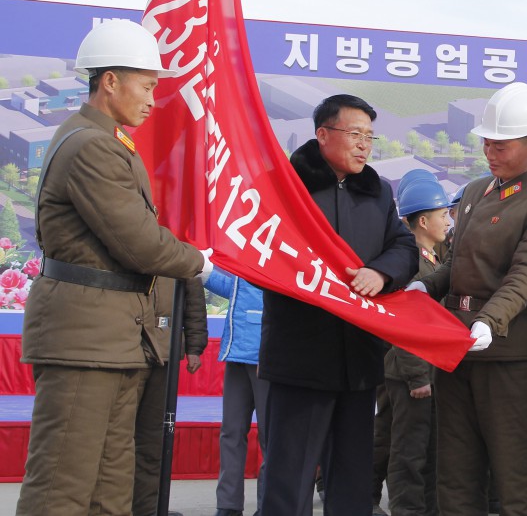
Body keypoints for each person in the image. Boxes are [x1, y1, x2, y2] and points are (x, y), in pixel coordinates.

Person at [17, 19, 213, 516]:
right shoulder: (91, 147)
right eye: (146, 86)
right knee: (62, 485)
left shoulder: (106, 141)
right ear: (109, 81)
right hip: (85, 340)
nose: (152, 99)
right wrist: (199, 263)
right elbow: (140, 243)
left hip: (111, 338)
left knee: (111, 488)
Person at [414, 82, 527, 516]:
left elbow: (526, 276)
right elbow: (455, 261)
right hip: (457, 347)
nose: (490, 150)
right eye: (487, 140)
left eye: (502, 143)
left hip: (507, 354)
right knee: (456, 471)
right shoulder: (475, 191)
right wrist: (425, 286)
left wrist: (489, 319)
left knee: (514, 472)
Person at [258, 94, 418, 516]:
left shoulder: (378, 191)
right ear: (323, 134)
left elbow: (403, 246)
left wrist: (381, 273)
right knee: (289, 473)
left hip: (358, 356)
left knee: (351, 474)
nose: (364, 144)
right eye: (355, 134)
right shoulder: (285, 186)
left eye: (369, 135)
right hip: (301, 355)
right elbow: (264, 252)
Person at [384, 177, 453, 516]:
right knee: (409, 452)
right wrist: (417, 378)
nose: (448, 221)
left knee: (427, 450)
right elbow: (405, 327)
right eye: (443, 214)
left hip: (428, 370)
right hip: (413, 375)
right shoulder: (412, 263)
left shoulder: (430, 259)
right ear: (423, 221)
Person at [132, 278, 208, 516]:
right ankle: (114, 505)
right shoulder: (129, 246)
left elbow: (194, 305)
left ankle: (147, 508)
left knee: (153, 438)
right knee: (118, 436)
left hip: (165, 353)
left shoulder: (179, 252)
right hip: (126, 350)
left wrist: (195, 347)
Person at [203, 268, 269, 516]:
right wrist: (203, 271)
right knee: (231, 432)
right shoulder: (240, 251)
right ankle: (228, 505)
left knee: (270, 437)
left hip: (265, 354)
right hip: (236, 353)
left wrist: (204, 270)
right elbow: (232, 288)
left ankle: (269, 504)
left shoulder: (273, 249)